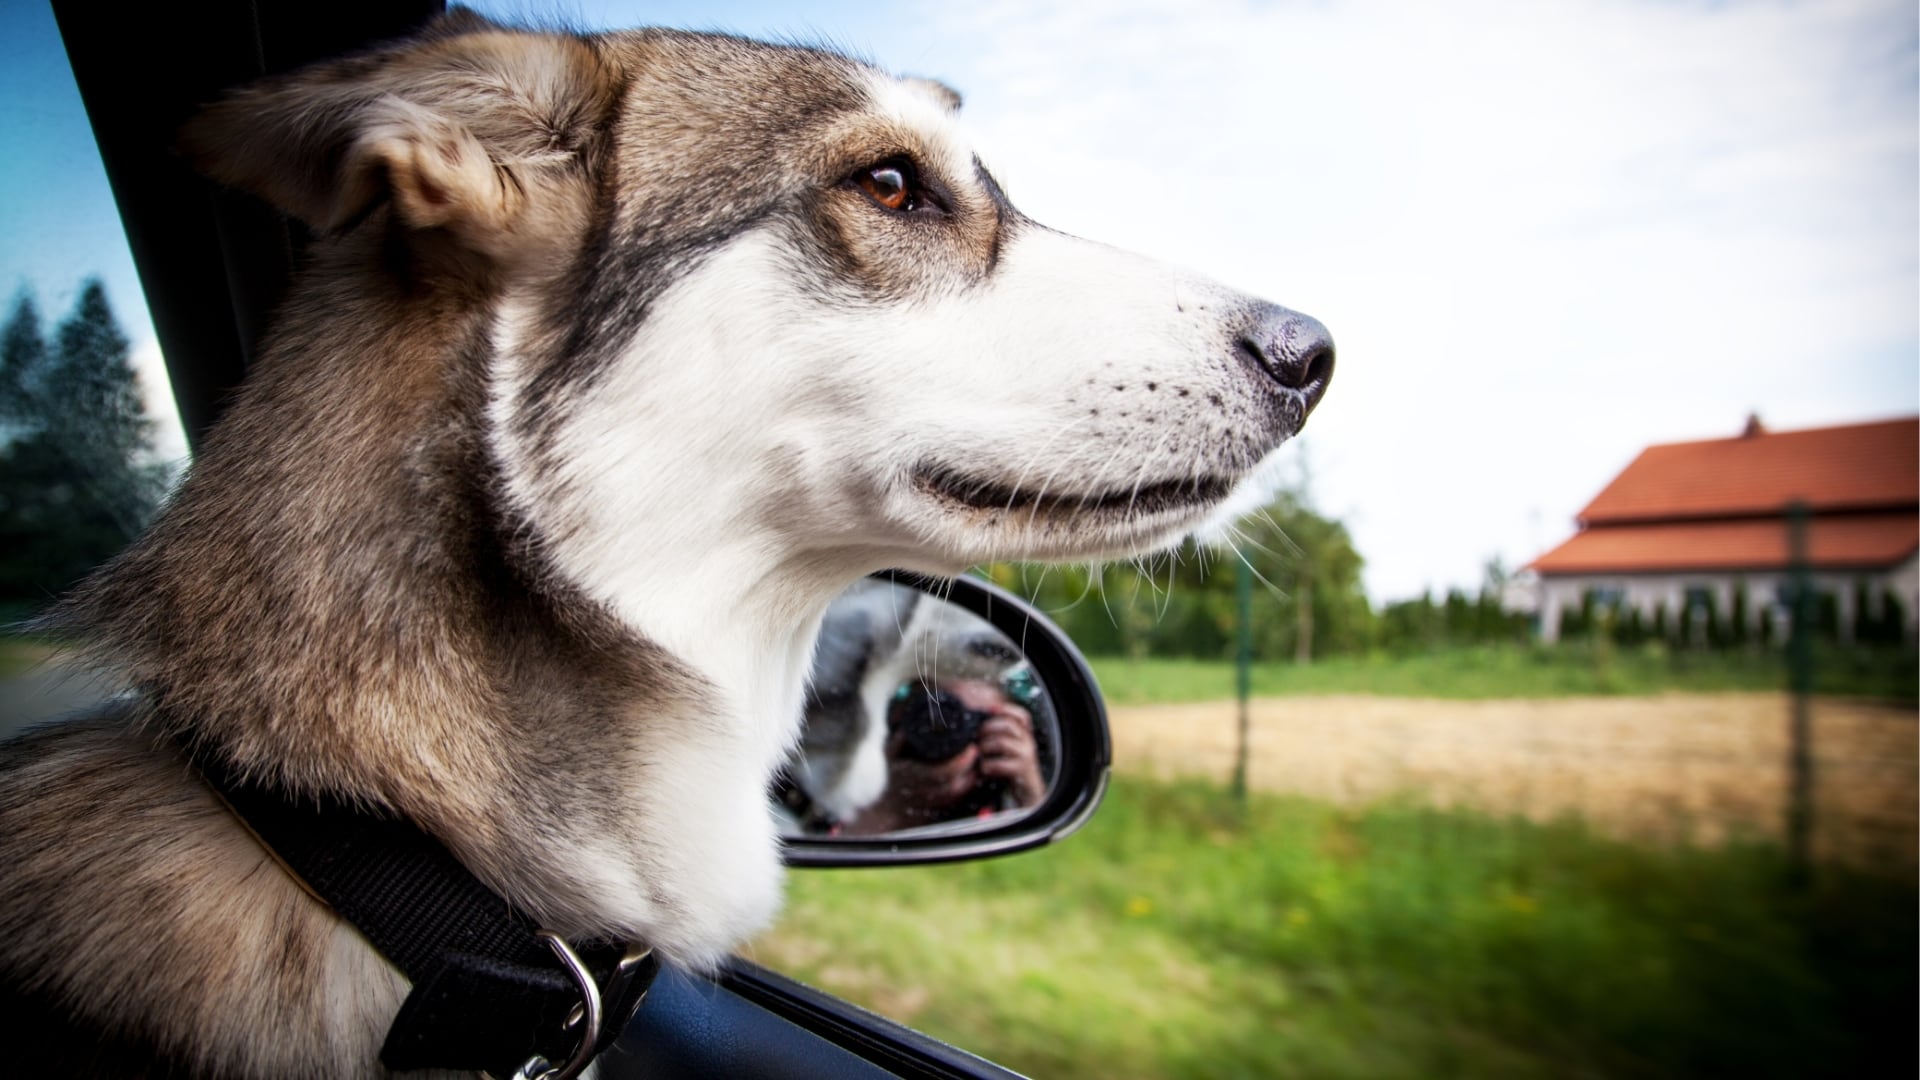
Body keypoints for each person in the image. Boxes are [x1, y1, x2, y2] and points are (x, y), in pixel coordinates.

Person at [839, 675, 1046, 835]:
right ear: (898, 718)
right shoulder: (840, 793)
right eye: (930, 714)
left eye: (973, 722)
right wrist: (889, 802)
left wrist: (1030, 795)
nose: (943, 729)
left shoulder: (1000, 813)